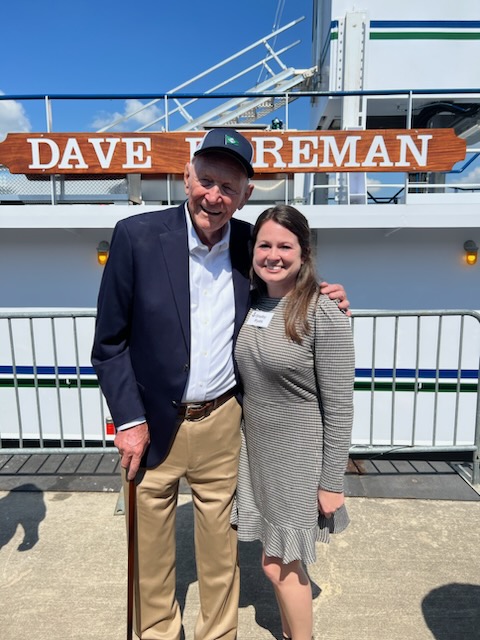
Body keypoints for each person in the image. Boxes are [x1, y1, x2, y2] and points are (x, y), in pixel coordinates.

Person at [91, 128, 350, 640]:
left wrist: (327, 294)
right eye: (206, 180)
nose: (215, 196)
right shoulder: (136, 236)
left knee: (220, 554)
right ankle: (160, 633)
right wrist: (129, 420)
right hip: (150, 423)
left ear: (246, 193)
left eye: (228, 187)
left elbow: (288, 272)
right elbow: (109, 343)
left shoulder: (251, 243)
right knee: (150, 551)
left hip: (223, 422)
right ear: (187, 176)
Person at [231, 204, 355, 640]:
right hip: (260, 455)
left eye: (285, 246)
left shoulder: (324, 311)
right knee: (279, 559)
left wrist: (331, 482)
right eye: (264, 244)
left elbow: (339, 405)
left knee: (276, 563)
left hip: (298, 459)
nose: (273, 254)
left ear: (304, 254)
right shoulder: (251, 303)